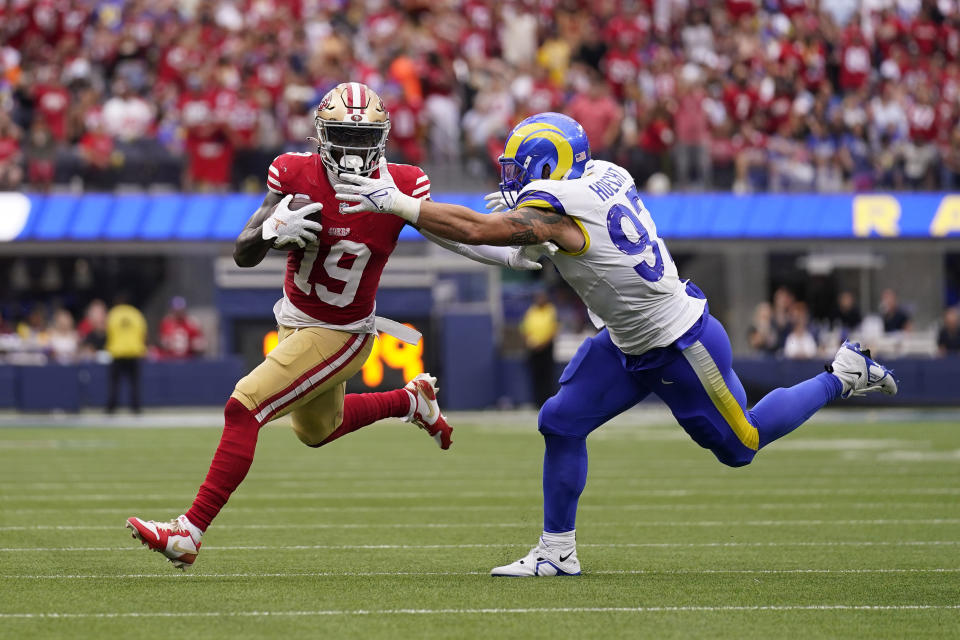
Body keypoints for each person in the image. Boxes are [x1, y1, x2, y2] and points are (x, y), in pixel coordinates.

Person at [336, 111, 899, 577]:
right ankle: (557, 552)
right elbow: (509, 249)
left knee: (741, 444)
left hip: (681, 343)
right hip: (626, 340)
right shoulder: (603, 173)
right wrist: (421, 220)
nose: (510, 176)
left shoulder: (562, 205)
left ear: (548, 163)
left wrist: (403, 206)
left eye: (520, 166)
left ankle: (840, 374)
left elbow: (488, 234)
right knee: (559, 420)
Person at [125, 82, 546, 569]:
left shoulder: (403, 185)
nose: (352, 149)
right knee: (316, 430)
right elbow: (243, 252)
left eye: (363, 137)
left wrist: (510, 253)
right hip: (295, 319)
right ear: (321, 135)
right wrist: (268, 231)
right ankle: (411, 400)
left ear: (382, 139)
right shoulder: (294, 173)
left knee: (244, 406)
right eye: (343, 135)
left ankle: (189, 532)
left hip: (344, 332)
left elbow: (455, 239)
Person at [105, 295, 147, 414]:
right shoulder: (136, 314)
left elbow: (108, 331)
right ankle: (136, 408)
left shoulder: (113, 314)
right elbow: (143, 332)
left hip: (117, 352)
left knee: (114, 384)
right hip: (133, 352)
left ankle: (111, 408)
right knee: (134, 384)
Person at [521, 291, 559, 407]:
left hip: (546, 348)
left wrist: (542, 344)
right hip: (533, 349)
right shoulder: (531, 311)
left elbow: (552, 330)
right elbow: (525, 329)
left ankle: (548, 401)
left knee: (547, 375)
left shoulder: (550, 310)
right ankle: (537, 402)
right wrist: (530, 342)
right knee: (536, 376)